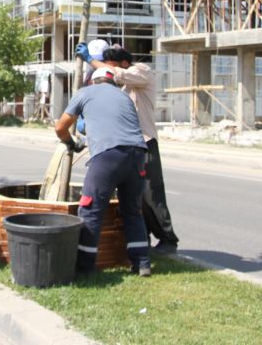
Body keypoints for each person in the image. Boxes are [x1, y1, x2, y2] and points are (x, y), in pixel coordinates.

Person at [76, 42, 180, 255]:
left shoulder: (142, 72)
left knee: (151, 195)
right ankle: (143, 240)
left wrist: (90, 60)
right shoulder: (122, 87)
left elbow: (116, 73)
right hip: (123, 144)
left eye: (110, 65)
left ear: (124, 63)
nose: (106, 70)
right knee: (134, 198)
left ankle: (168, 239)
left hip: (144, 143)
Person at [55, 68, 151, 276]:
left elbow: (60, 127)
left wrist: (72, 142)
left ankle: (84, 267)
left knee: (90, 210)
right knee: (133, 211)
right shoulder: (124, 96)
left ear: (92, 81)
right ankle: (142, 263)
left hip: (108, 156)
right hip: (138, 155)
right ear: (112, 82)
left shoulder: (84, 93)